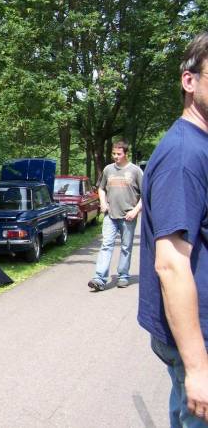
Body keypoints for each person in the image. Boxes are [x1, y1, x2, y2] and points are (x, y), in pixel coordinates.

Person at [138, 32, 208, 427]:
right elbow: (171, 265)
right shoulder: (184, 154)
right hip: (198, 344)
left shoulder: (198, 146)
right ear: (189, 81)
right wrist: (199, 369)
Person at [87, 140, 143, 291]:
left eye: (119, 154)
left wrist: (135, 211)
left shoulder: (136, 171)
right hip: (110, 216)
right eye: (114, 153)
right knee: (106, 245)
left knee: (126, 247)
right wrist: (103, 203)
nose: (115, 156)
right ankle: (99, 278)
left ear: (126, 154)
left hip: (128, 216)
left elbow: (145, 195)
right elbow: (101, 188)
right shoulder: (108, 170)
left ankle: (123, 276)